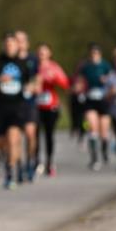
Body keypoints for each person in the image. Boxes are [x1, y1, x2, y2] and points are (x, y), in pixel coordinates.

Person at [0, 32, 30, 190]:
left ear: (17, 45)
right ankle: (15, 162)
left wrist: (32, 86)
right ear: (3, 46)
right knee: (1, 143)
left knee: (13, 138)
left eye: (12, 43)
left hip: (17, 107)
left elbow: (32, 81)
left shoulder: (24, 64)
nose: (9, 46)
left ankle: (9, 173)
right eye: (7, 44)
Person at [76, 43, 113, 171]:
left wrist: (106, 81)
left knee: (104, 132)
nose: (94, 56)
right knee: (92, 127)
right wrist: (80, 90)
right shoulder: (85, 67)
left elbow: (112, 81)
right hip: (90, 99)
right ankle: (94, 158)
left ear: (100, 54)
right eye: (92, 53)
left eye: (96, 53)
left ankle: (104, 151)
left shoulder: (106, 65)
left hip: (103, 100)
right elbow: (79, 81)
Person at [35, 43, 70, 176]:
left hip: (51, 105)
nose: (41, 55)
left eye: (44, 52)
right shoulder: (33, 67)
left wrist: (54, 78)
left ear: (49, 53)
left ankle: (50, 162)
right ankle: (36, 161)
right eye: (39, 52)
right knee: (34, 134)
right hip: (36, 106)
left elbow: (65, 84)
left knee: (49, 135)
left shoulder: (54, 67)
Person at [15, 30, 41, 181]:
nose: (19, 43)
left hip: (29, 102)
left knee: (31, 134)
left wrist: (33, 86)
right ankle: (18, 165)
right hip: (14, 104)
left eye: (22, 40)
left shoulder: (33, 59)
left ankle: (30, 161)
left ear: (27, 43)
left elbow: (38, 80)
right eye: (16, 40)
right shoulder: (10, 60)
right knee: (16, 137)